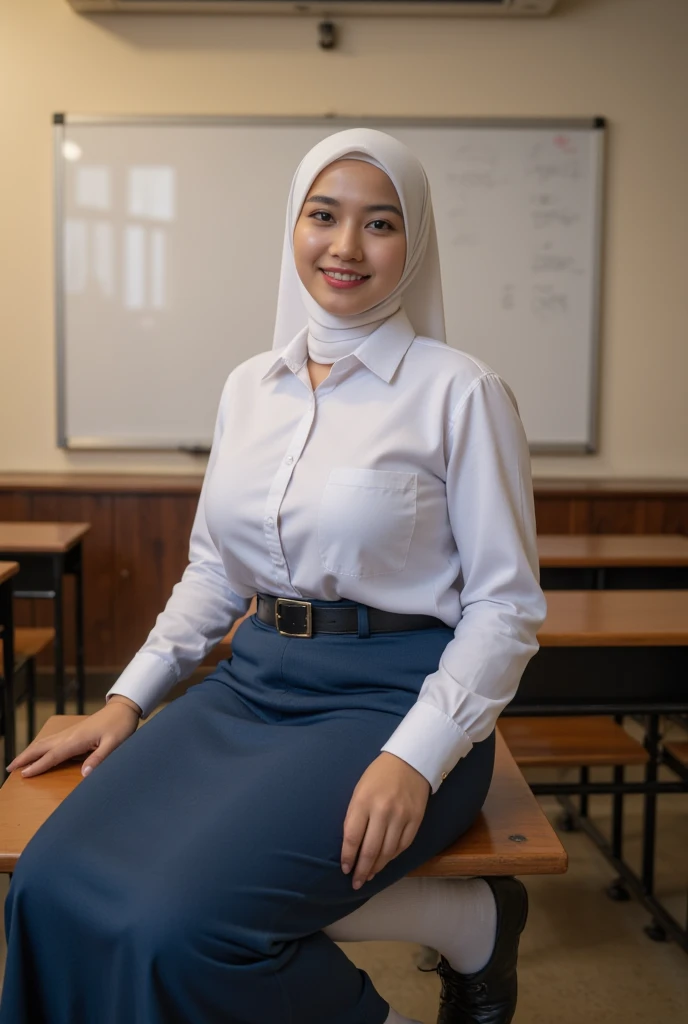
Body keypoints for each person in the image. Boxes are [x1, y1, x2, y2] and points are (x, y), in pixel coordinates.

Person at [2, 128, 546, 1024]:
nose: (345, 246)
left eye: (380, 224)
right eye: (323, 216)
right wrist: (125, 702)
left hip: (395, 704)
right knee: (49, 884)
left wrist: (414, 758)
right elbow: (216, 572)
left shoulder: (461, 392)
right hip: (253, 685)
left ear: (414, 246)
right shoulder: (250, 387)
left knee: (179, 926)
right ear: (292, 227)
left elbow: (505, 610)